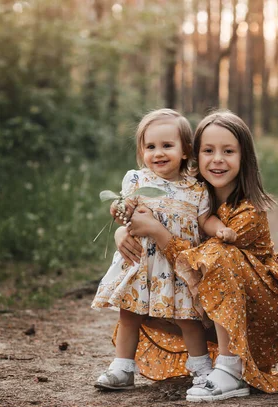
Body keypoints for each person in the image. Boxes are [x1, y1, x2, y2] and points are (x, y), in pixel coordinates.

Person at [116, 110, 278, 402]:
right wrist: (126, 232)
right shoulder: (189, 192)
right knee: (147, 294)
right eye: (208, 150)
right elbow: (152, 217)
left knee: (218, 254)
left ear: (244, 158)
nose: (217, 159)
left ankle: (231, 367)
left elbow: (194, 257)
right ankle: (201, 364)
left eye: (228, 151)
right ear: (194, 155)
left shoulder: (249, 212)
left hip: (257, 313)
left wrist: (155, 230)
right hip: (214, 309)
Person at [91, 108, 236, 391]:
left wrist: (220, 229)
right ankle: (122, 367)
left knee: (188, 319)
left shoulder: (196, 189)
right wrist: (119, 212)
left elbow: (205, 219)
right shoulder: (137, 181)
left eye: (167, 146)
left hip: (178, 266)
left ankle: (202, 369)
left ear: (185, 151)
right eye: (151, 147)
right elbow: (125, 210)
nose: (158, 153)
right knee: (129, 314)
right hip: (142, 263)